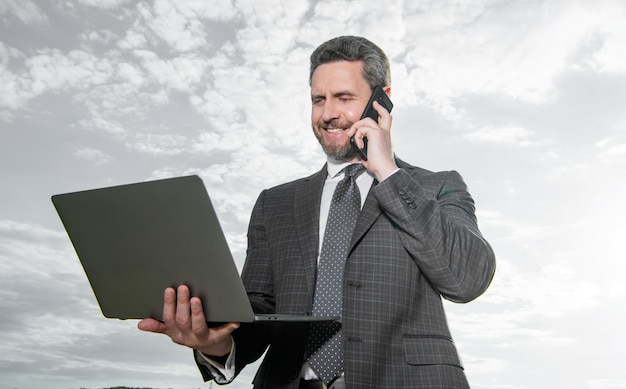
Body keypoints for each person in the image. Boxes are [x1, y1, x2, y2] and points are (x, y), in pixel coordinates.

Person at [138, 35, 496, 389]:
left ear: (382, 100)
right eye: (318, 100)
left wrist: (388, 172)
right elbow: (258, 310)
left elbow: (467, 279)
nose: (328, 114)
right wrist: (214, 341)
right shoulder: (273, 203)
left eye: (343, 98)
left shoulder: (434, 186)